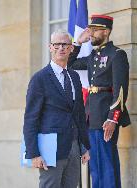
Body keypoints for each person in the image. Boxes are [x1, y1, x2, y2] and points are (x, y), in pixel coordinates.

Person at [68, 14, 131, 188]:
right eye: (91, 30)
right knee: (95, 165)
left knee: (106, 164)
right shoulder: (93, 56)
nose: (91, 33)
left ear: (106, 32)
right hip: (91, 116)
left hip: (105, 117)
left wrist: (113, 118)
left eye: (95, 30)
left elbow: (121, 90)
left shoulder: (117, 54)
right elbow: (70, 64)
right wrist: (78, 42)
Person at [23, 29, 90, 188]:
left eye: (65, 44)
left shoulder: (74, 77)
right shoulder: (39, 79)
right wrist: (33, 153)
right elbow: (31, 118)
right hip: (50, 149)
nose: (61, 48)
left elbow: (79, 114)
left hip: (73, 148)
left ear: (71, 49)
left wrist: (84, 146)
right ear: (50, 47)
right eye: (57, 44)